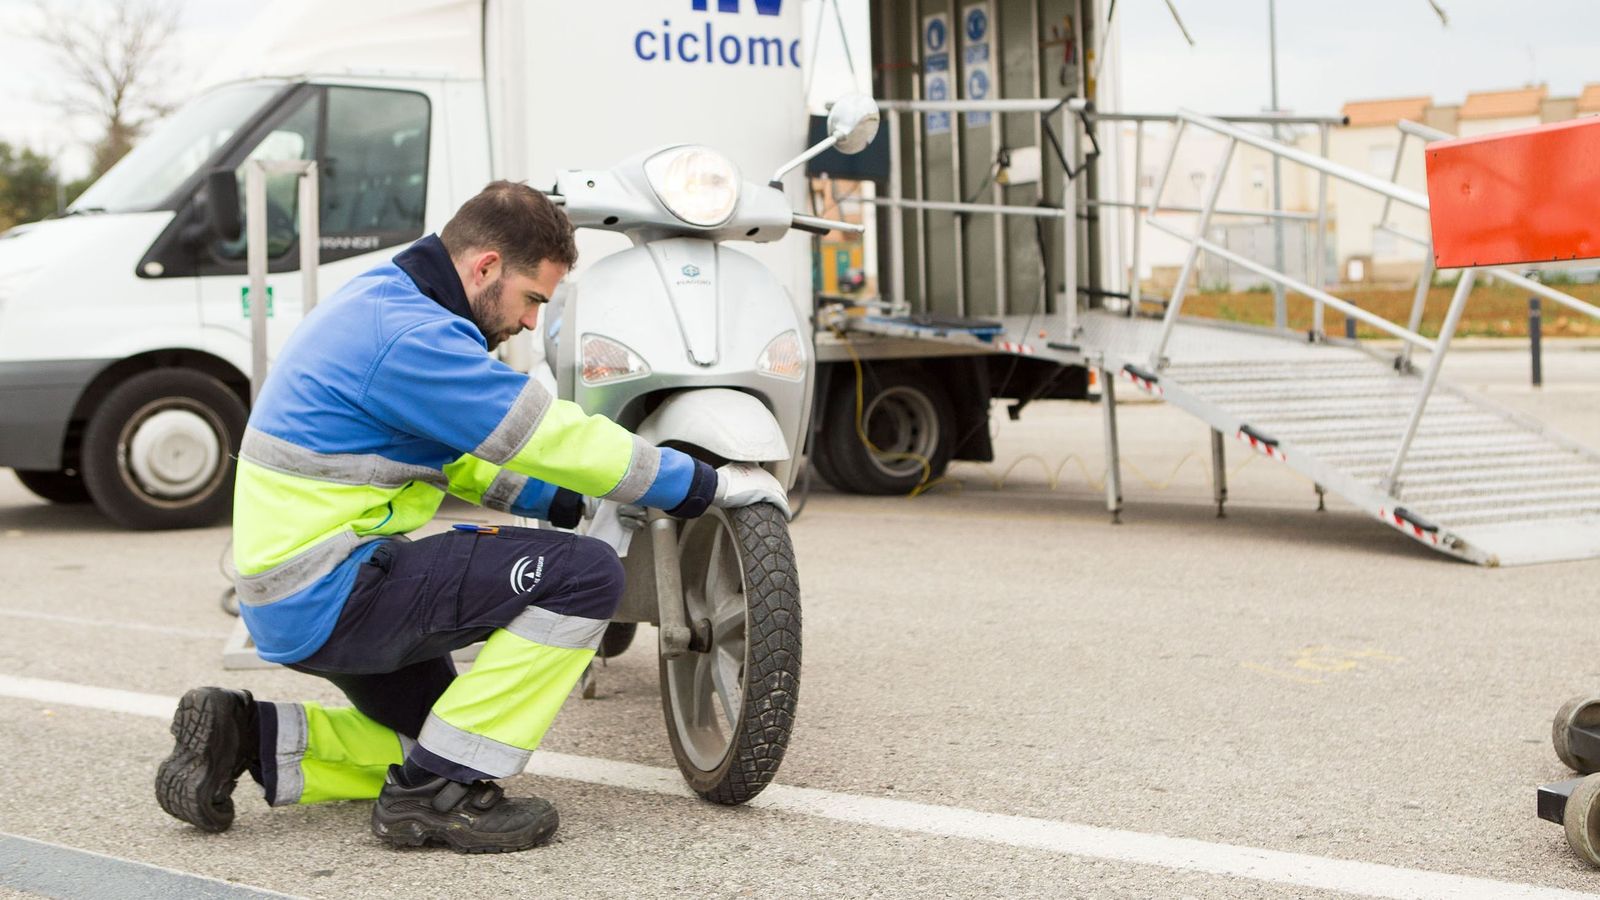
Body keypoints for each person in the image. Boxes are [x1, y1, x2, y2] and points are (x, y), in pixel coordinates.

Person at [155, 181, 787, 853]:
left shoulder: (382, 302)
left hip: (299, 591)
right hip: (334, 587)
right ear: (486, 267)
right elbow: (547, 434)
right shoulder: (410, 337)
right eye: (533, 299)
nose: (529, 323)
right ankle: (439, 798)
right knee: (584, 577)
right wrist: (700, 484)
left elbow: (456, 454)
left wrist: (561, 500)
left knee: (436, 736)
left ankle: (244, 737)